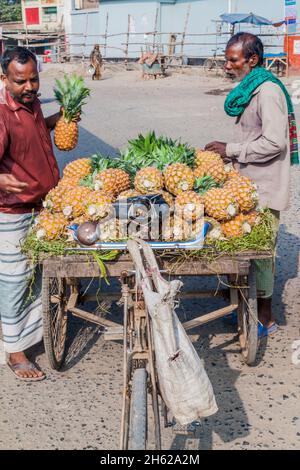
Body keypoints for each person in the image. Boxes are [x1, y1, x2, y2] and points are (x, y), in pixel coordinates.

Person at [205, 32, 299, 337]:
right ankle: (245, 309)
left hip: (265, 187)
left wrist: (230, 150)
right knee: (243, 250)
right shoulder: (251, 89)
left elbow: (274, 142)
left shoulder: (268, 92)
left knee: (260, 255)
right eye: (226, 59)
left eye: (233, 60)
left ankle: (266, 318)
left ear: (252, 60)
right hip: (247, 185)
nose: (227, 65)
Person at [0, 47, 64, 380]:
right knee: (15, 282)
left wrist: (59, 120)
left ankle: (28, 332)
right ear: (3, 78)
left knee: (35, 276)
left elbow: (34, 135)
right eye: (20, 81)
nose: (29, 87)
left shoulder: (34, 105)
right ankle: (15, 352)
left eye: (34, 79)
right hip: (13, 212)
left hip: (42, 206)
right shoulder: (1, 112)